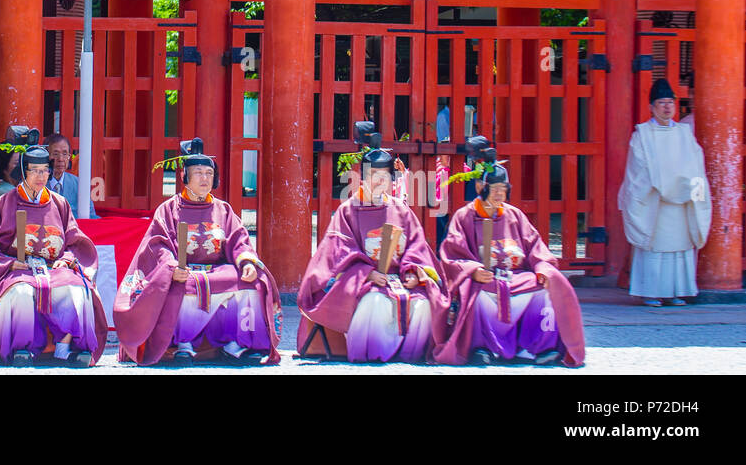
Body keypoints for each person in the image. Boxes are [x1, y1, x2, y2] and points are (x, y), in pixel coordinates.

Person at [115, 138, 281, 365]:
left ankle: (238, 343)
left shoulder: (223, 209)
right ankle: (184, 344)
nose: (205, 179)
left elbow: (238, 239)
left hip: (216, 269)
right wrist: (172, 269)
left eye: (209, 174)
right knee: (186, 284)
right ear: (185, 177)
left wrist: (247, 262)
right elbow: (158, 244)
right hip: (183, 270)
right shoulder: (169, 209)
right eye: (199, 173)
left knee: (247, 281)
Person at [0, 133, 107, 366]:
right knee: (21, 293)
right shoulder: (4, 203)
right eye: (34, 170)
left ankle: (68, 346)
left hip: (53, 268)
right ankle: (20, 348)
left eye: (44, 170)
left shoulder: (60, 203)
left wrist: (66, 259)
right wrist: (7, 263)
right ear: (24, 172)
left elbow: (75, 242)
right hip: (17, 268)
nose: (40, 176)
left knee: (75, 288)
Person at [297, 139, 448, 363]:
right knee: (375, 302)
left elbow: (416, 245)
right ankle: (371, 354)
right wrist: (367, 273)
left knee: (423, 303)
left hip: (399, 277)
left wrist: (412, 271)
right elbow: (339, 250)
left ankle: (410, 355)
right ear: (364, 178)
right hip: (363, 279)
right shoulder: (348, 210)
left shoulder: (401, 209)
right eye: (373, 175)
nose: (379, 181)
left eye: (384, 176)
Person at [433, 155, 586, 367]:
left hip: (516, 277)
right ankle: (481, 347)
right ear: (480, 187)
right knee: (475, 291)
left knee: (544, 288)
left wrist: (542, 268)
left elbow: (535, 247)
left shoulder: (515, 215)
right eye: (493, 188)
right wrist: (473, 270)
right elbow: (452, 253)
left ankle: (537, 347)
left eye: (503, 188)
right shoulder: (464, 216)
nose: (498, 193)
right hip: (485, 278)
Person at [619, 78, 711, 307]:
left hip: (681, 203)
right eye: (661, 103)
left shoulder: (684, 133)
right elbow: (638, 170)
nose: (667, 107)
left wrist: (689, 187)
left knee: (680, 246)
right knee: (655, 246)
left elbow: (696, 165)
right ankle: (650, 292)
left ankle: (677, 292)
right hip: (655, 202)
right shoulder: (642, 134)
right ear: (652, 107)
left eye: (670, 102)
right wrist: (663, 185)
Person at [45, 133, 81, 216]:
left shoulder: (78, 183)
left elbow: (91, 215)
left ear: (69, 156)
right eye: (55, 154)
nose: (61, 159)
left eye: (65, 154)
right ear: (46, 156)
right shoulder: (35, 184)